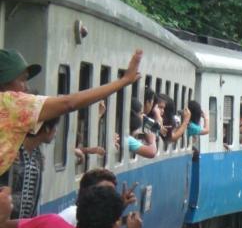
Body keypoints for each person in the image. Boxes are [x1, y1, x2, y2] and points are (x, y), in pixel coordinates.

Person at [0, 48, 143, 175]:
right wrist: (123, 81)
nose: (26, 87)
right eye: (22, 80)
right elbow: (69, 103)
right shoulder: (10, 103)